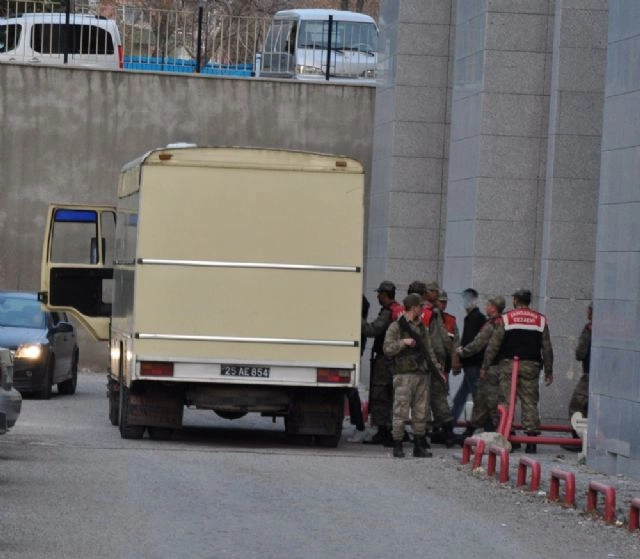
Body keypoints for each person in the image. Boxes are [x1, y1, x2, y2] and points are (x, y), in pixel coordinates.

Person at [482, 289, 554, 454]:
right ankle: (531, 441)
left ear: (515, 300)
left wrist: (485, 366)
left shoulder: (507, 318)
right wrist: (549, 370)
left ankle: (508, 436)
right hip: (531, 365)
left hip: (509, 365)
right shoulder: (540, 320)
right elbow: (547, 348)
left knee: (506, 400)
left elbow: (494, 345)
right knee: (530, 401)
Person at [383, 293, 441, 458]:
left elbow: (429, 350)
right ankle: (398, 444)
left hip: (422, 374)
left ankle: (418, 446)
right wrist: (403, 342)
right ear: (414, 307)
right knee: (400, 411)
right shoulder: (397, 326)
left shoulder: (422, 327)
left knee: (421, 412)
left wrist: (437, 369)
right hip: (404, 375)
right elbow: (387, 349)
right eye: (420, 306)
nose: (422, 309)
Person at [361, 281, 403, 445]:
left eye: (379, 293)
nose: (378, 296)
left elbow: (372, 330)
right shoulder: (398, 309)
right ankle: (391, 430)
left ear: (384, 294)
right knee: (391, 395)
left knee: (380, 394)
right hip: (394, 359)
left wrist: (358, 318)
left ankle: (383, 431)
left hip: (385, 360)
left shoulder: (387, 312)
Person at [456, 295, 505, 437]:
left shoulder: (492, 324)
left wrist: (463, 352)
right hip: (500, 367)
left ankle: (503, 433)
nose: (486, 308)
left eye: (488, 305)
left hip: (492, 367)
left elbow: (478, 343)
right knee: (481, 399)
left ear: (494, 308)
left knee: (491, 401)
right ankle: (471, 430)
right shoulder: (505, 323)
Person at [423, 281, 456, 447]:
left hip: (441, 363)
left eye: (444, 302)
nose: (442, 305)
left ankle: (445, 431)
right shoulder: (430, 314)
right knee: (429, 397)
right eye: (440, 301)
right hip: (431, 361)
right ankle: (434, 430)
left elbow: (453, 343)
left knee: (438, 395)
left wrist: (455, 361)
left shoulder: (449, 320)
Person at [450, 288, 486, 425]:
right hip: (471, 363)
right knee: (462, 395)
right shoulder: (472, 317)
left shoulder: (475, 317)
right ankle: (451, 422)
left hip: (473, 363)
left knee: (477, 396)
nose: (464, 302)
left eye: (467, 299)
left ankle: (482, 425)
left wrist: (461, 356)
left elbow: (471, 342)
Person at [347, 295, 371, 442]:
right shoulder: (359, 324)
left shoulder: (359, 325)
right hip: (350, 360)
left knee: (351, 392)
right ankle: (359, 426)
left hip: (349, 360)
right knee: (351, 392)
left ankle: (360, 427)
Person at [569, 302, 592, 419]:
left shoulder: (589, 329)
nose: (587, 312)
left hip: (590, 375)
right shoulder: (613, 328)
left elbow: (580, 354)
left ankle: (580, 428)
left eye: (589, 310)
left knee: (577, 406)